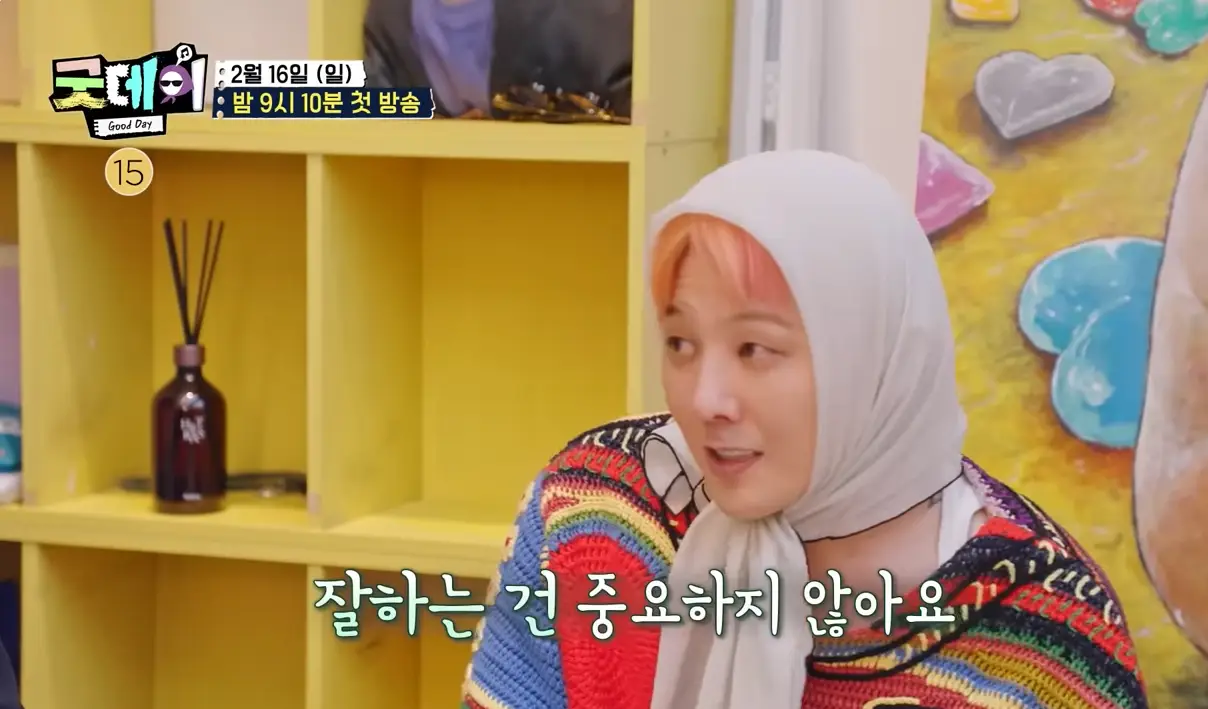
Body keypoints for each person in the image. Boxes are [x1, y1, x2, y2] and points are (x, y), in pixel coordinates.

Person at [460, 150, 1147, 708]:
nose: (705, 398)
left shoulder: (1043, 632)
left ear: (873, 358)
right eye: (680, 343)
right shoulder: (599, 505)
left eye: (755, 349)